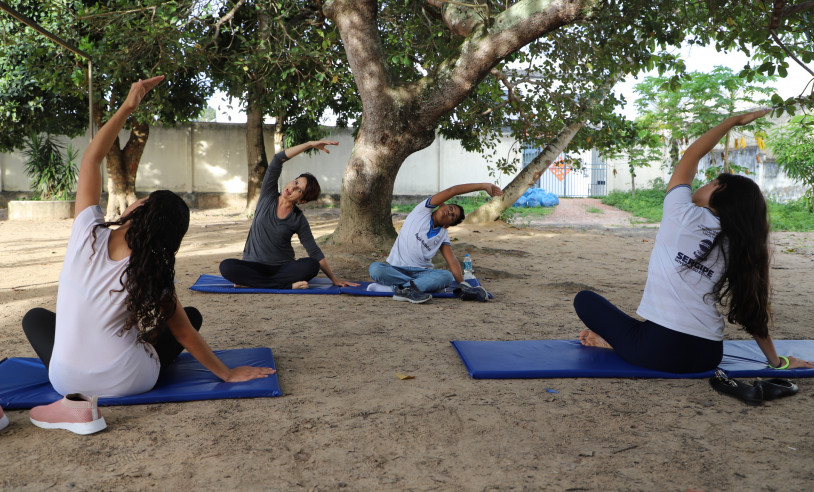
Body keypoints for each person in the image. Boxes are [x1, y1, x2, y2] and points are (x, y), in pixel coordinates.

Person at [21, 76, 275, 403]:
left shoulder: (87, 233)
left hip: (63, 381)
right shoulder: (155, 268)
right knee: (189, 318)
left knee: (34, 319)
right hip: (128, 380)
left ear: (140, 209)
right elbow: (183, 333)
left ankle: (87, 363)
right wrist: (226, 374)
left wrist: (128, 107)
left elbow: (90, 159)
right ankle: (116, 352)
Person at [574, 108, 814, 373]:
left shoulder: (680, 213)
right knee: (640, 330)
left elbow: (692, 154)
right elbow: (751, 311)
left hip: (658, 350)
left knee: (585, 300)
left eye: (711, 181)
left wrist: (731, 121)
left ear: (719, 192)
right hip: (707, 355)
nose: (703, 184)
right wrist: (777, 362)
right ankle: (627, 342)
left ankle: (617, 344)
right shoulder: (739, 244)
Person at [219, 140, 358, 290]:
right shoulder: (268, 195)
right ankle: (285, 286)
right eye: (296, 181)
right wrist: (309, 144)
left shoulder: (298, 219)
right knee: (227, 266)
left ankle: (254, 283)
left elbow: (314, 251)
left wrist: (334, 279)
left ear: (302, 200)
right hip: (253, 266)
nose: (292, 187)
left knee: (311, 265)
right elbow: (278, 160)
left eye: (299, 189)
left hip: (282, 269)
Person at [369, 182, 503, 303]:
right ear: (442, 205)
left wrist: (462, 283)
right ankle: (412, 287)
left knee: (445, 277)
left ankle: (402, 289)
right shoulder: (422, 211)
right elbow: (453, 191)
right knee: (375, 268)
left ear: (448, 225)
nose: (449, 212)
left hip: (422, 273)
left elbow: (452, 260)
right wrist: (484, 186)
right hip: (396, 269)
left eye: (452, 216)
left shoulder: (443, 234)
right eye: (450, 208)